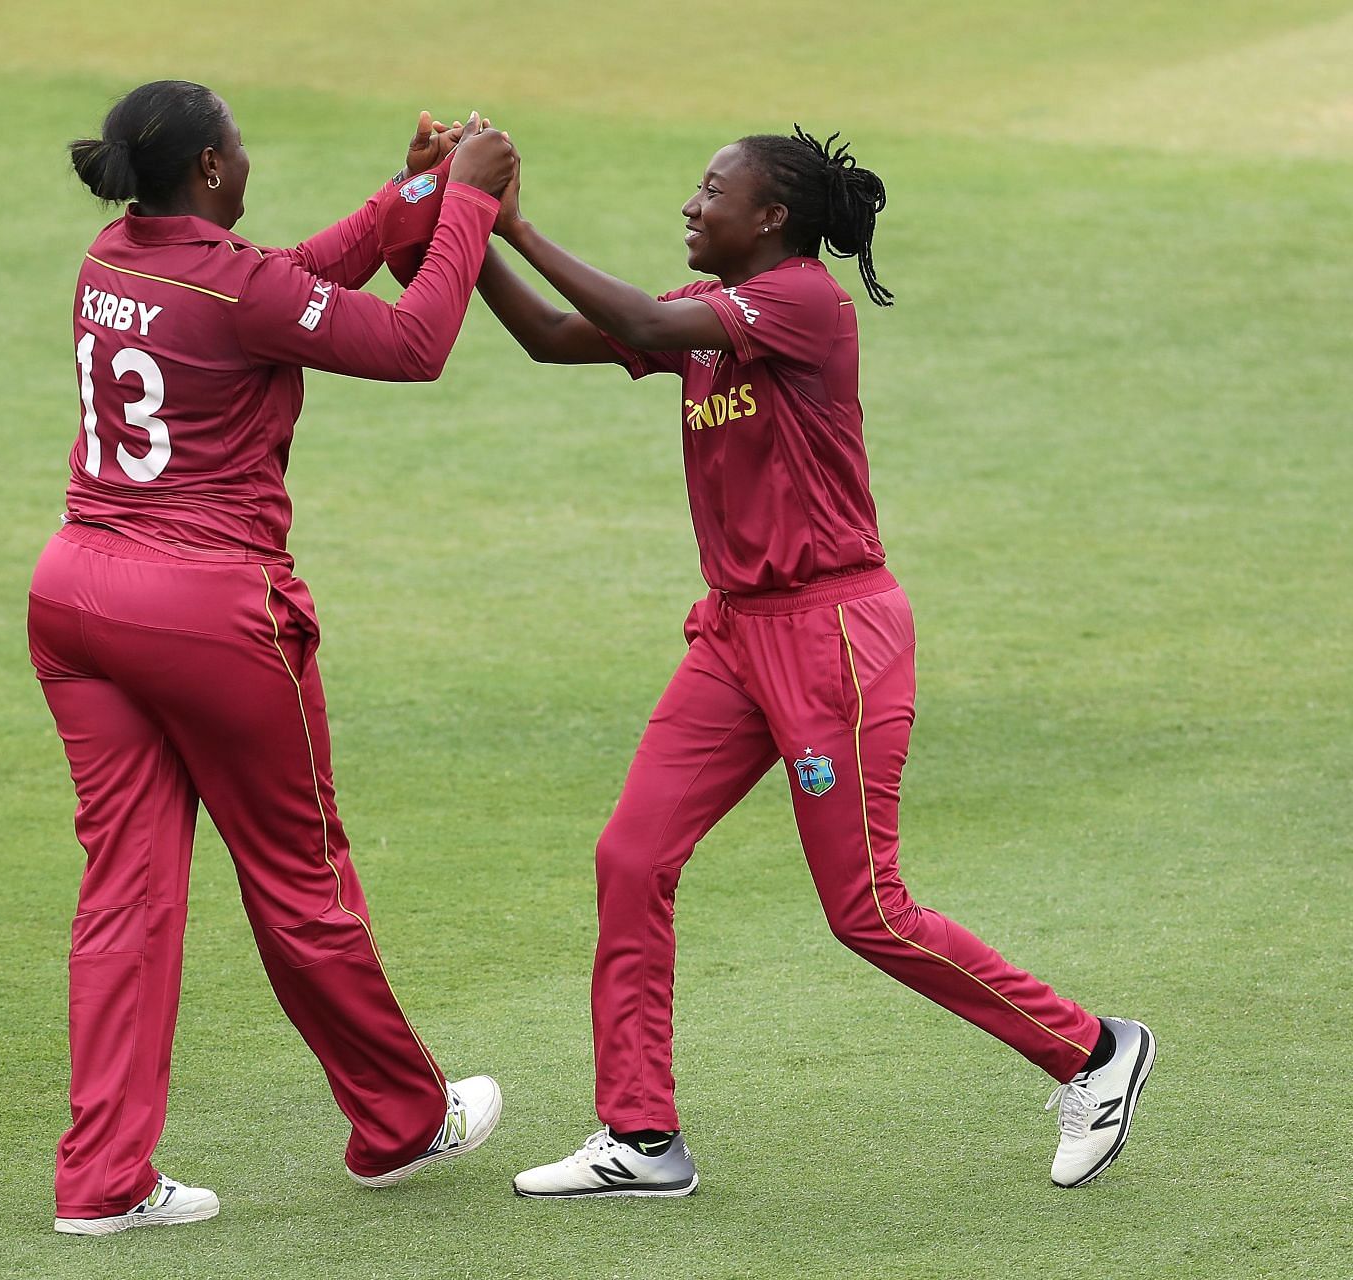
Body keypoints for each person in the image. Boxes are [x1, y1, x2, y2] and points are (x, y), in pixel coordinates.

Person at [473, 127, 1154, 1198]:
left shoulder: (801, 299)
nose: (691, 207)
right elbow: (558, 337)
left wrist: (505, 219)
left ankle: (1093, 1049)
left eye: (712, 192)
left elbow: (638, 318)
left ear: (772, 219)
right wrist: (457, 230)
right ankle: (641, 1137)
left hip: (833, 636)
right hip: (738, 634)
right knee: (632, 857)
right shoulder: (710, 322)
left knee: (867, 906)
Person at [31, 82, 517, 1236]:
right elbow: (411, 341)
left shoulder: (115, 255)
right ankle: (401, 1116)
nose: (247, 166)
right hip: (207, 610)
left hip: (75, 599)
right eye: (238, 151)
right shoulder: (231, 283)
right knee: (301, 874)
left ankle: (103, 1178)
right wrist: (471, 210)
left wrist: (413, 191)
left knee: (124, 897)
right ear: (207, 171)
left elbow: (288, 281)